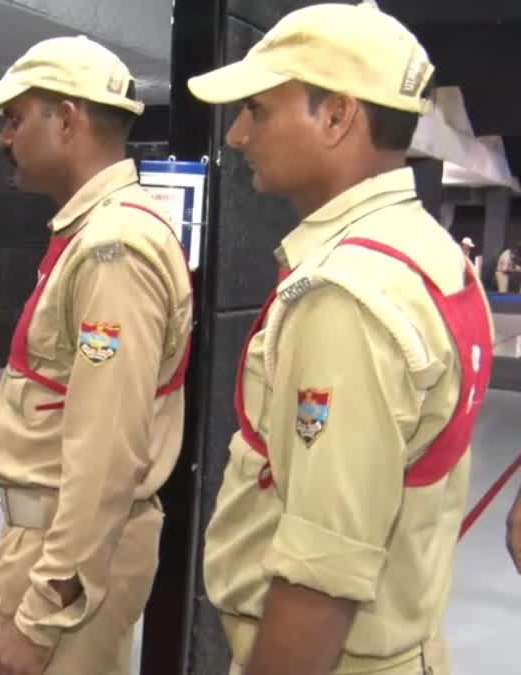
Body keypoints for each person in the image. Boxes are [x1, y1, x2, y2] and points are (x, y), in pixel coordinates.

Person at [188, 3, 492, 674]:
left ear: (336, 117)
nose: (237, 135)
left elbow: (320, 580)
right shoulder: (430, 255)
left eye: (257, 110)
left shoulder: (347, 296)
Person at [0, 36, 193, 675]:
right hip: (60, 541)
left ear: (65, 119)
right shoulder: (95, 233)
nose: (4, 137)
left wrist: (42, 615)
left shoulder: (113, 249)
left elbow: (106, 456)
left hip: (66, 554)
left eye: (14, 119)